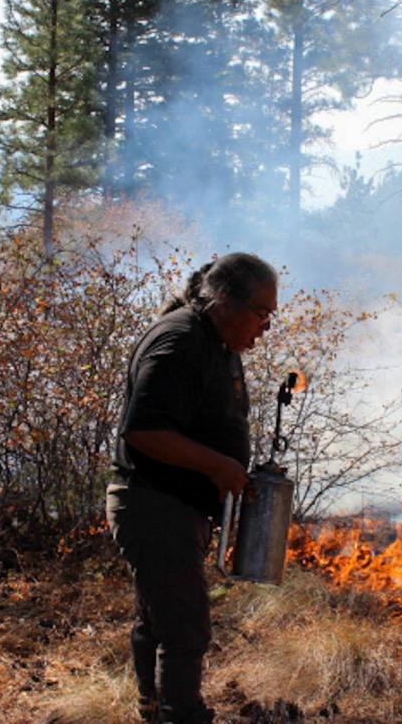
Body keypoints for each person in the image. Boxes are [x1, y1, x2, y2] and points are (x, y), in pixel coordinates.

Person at [107, 252, 279, 724]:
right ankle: (182, 715)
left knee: (159, 617)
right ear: (225, 300)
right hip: (154, 505)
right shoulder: (181, 340)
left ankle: (153, 708)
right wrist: (218, 465)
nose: (265, 327)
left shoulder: (215, 344)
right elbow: (143, 431)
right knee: (185, 628)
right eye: (262, 313)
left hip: (173, 507)